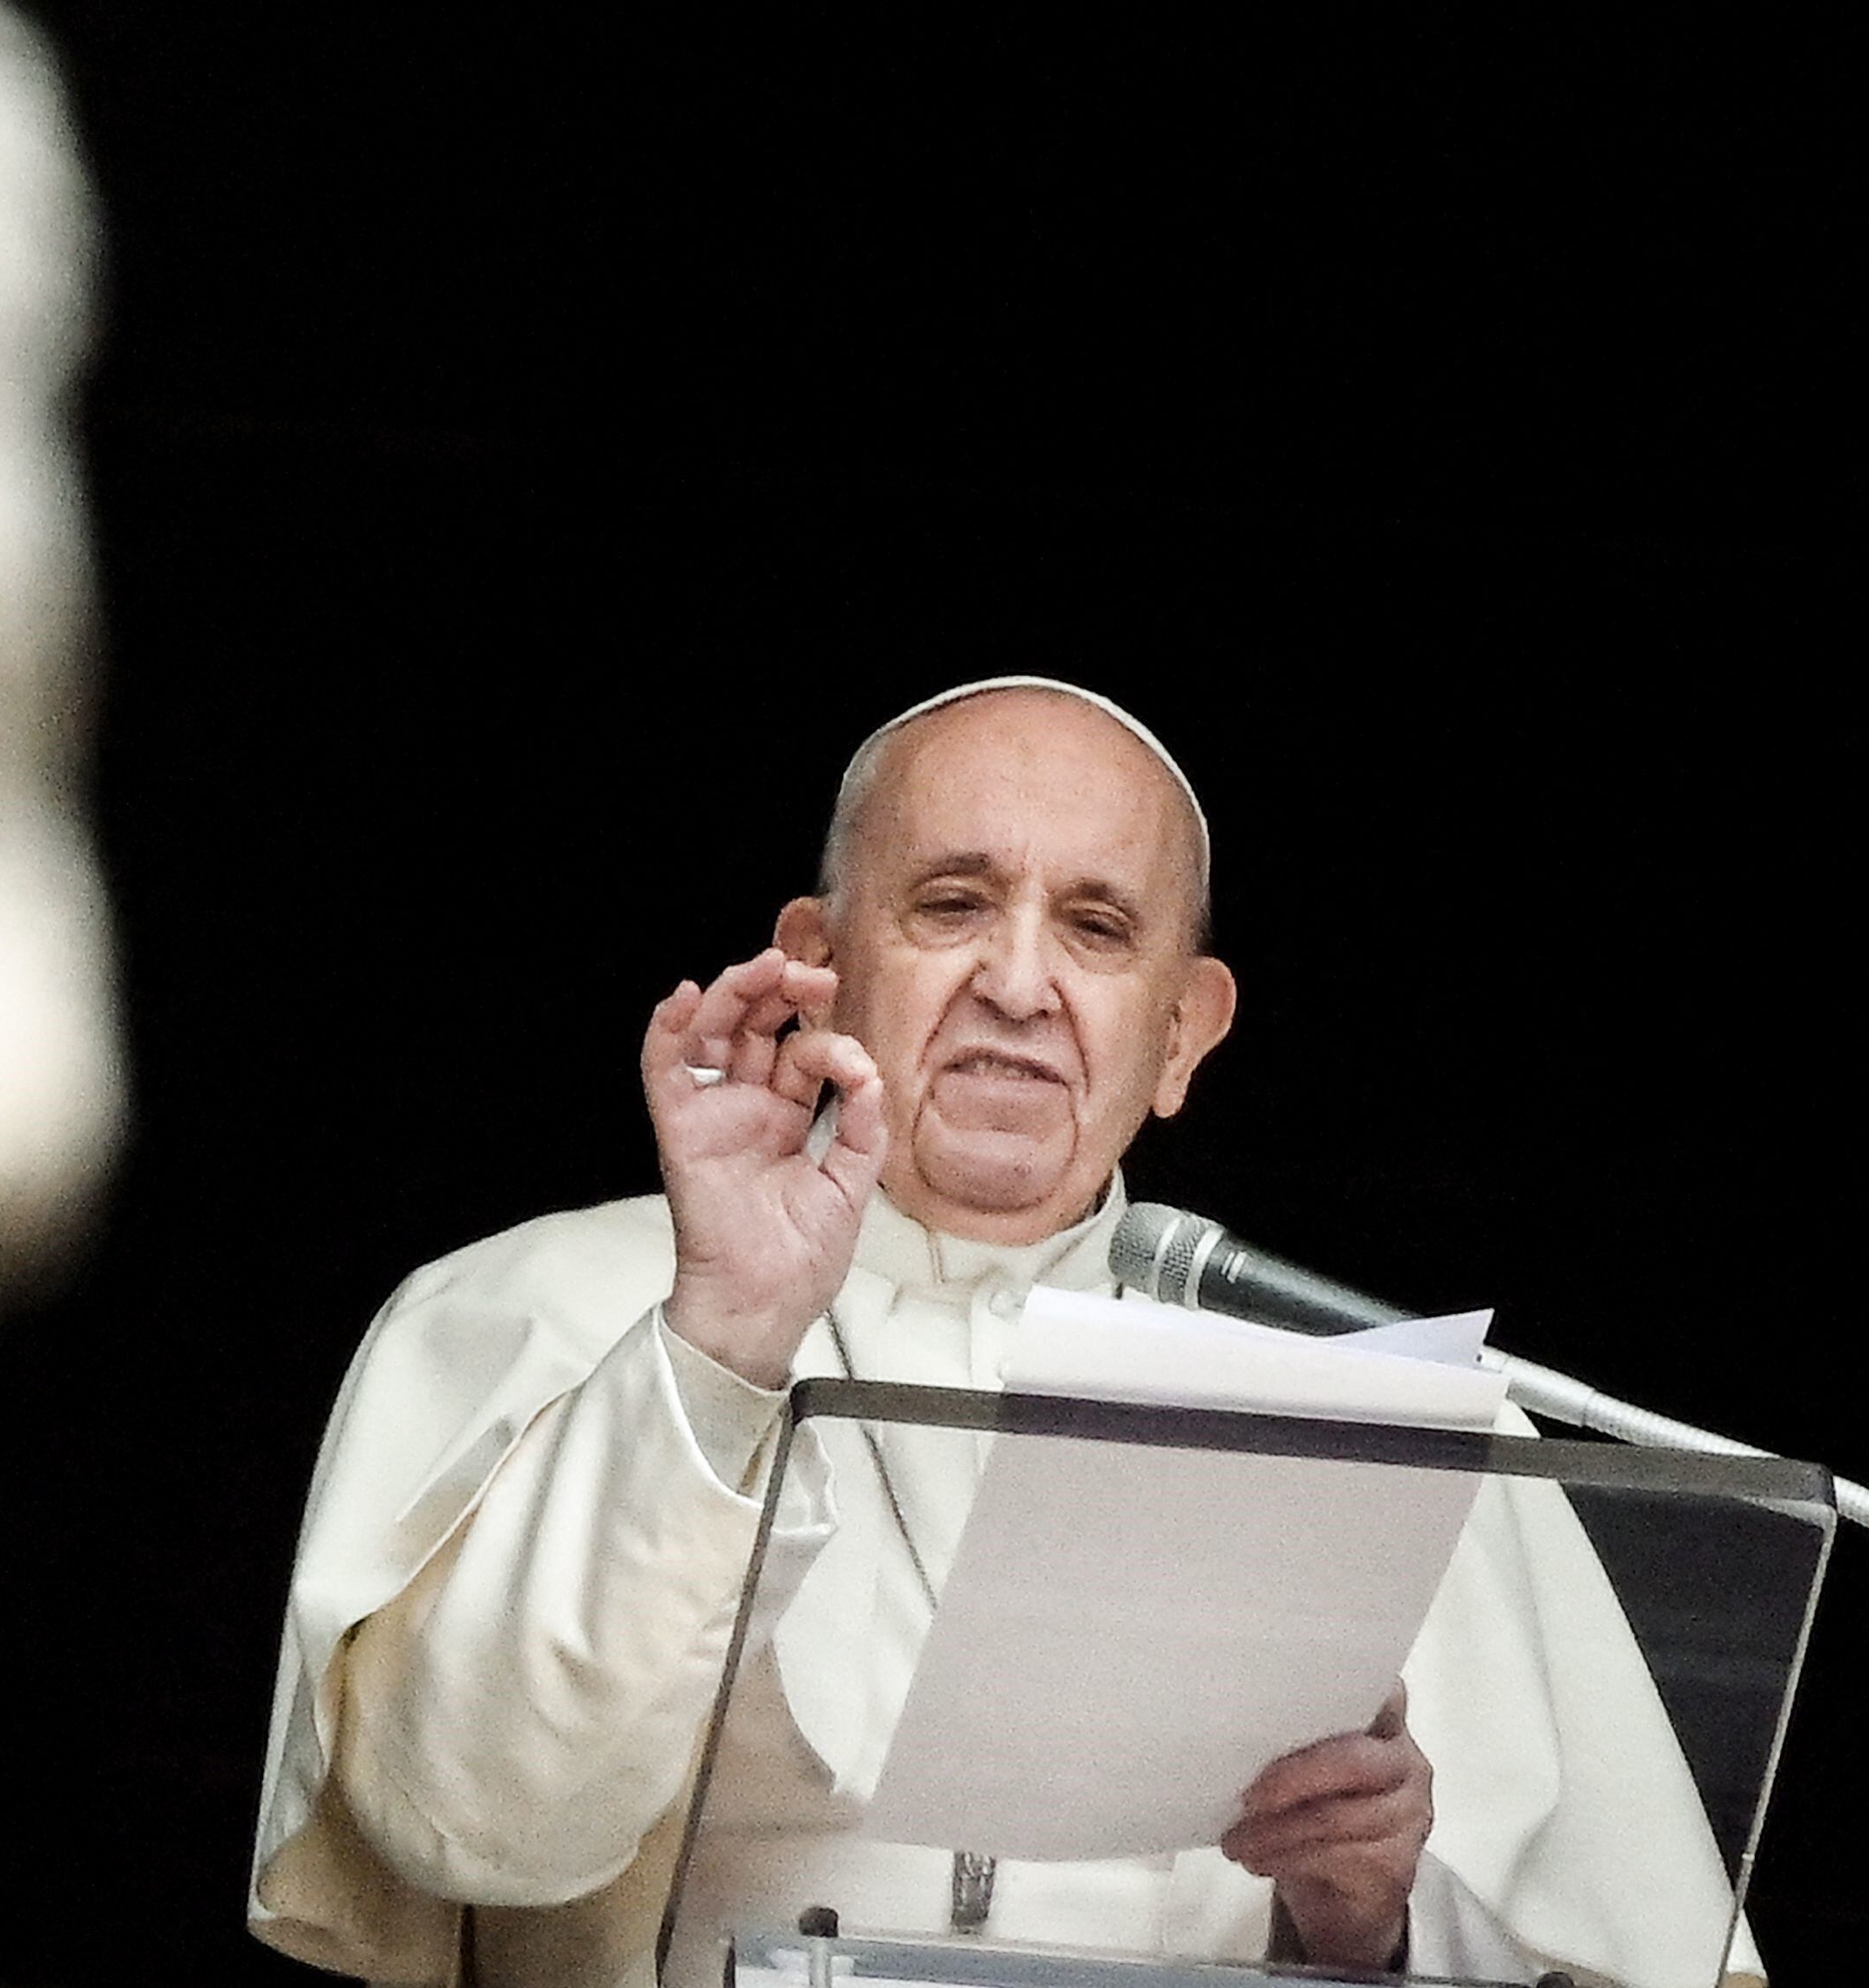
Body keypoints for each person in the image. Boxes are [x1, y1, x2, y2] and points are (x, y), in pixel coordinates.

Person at [247, 680, 1754, 1986]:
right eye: (953, 904)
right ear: (820, 959)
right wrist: (721, 1342)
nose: (1020, 986)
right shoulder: (538, 1310)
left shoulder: (1385, 1419)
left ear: (1183, 1034)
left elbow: (1603, 1957)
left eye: (1097, 930)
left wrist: (1366, 1919)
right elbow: (465, 1822)